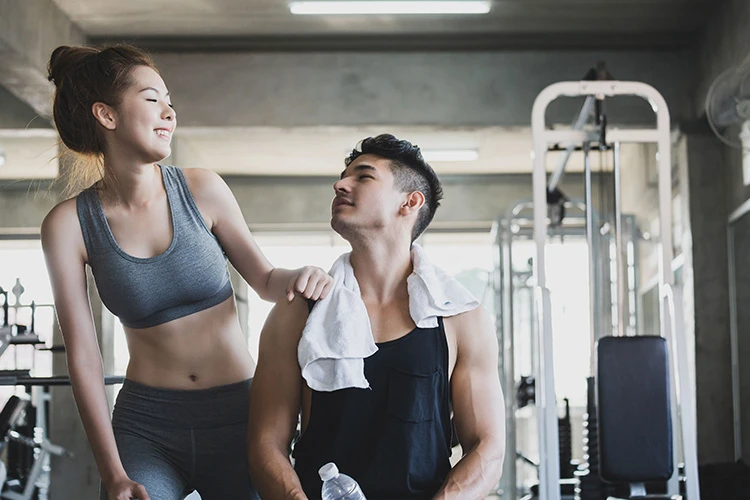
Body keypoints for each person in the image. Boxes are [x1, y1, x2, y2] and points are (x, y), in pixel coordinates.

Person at [40, 44, 333, 500]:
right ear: (107, 115)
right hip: (146, 428)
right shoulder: (67, 225)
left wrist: (300, 275)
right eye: (152, 98)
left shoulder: (203, 189)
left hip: (241, 416)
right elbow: (83, 355)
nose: (169, 112)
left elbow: (265, 279)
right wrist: (112, 471)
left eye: (170, 100)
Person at [248, 134, 505, 500]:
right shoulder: (296, 312)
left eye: (363, 176)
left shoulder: (462, 318)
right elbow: (265, 445)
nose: (340, 184)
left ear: (410, 202)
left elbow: (487, 448)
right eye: (343, 176)